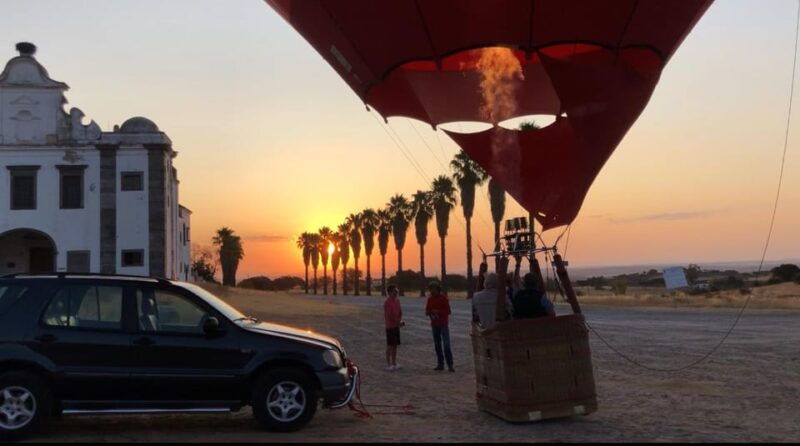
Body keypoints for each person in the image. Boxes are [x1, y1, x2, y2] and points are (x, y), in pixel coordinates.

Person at [425, 281, 454, 372]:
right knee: (437, 345)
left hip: (443, 324)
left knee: (446, 345)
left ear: (438, 289)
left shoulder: (443, 298)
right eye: (430, 290)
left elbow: (448, 311)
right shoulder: (430, 299)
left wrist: (438, 311)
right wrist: (429, 312)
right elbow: (427, 310)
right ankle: (440, 364)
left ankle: (450, 365)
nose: (432, 292)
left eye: (433, 289)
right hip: (434, 325)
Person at [383, 284, 404, 371]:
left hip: (396, 326)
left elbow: (400, 312)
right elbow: (390, 315)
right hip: (390, 326)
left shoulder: (397, 301)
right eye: (394, 291)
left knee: (395, 345)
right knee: (390, 345)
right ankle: (388, 364)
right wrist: (398, 322)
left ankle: (394, 363)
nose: (396, 293)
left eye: (396, 291)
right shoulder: (387, 302)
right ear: (390, 292)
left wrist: (399, 321)